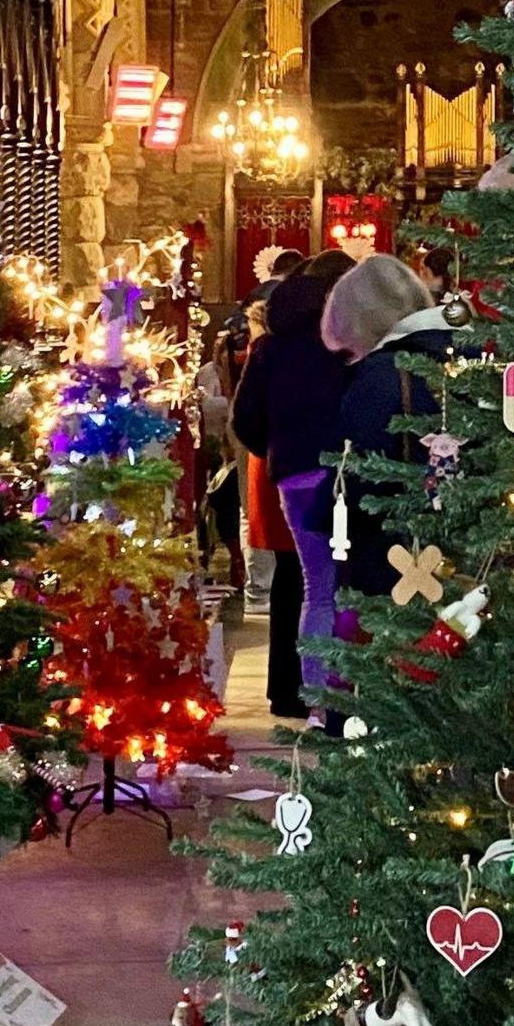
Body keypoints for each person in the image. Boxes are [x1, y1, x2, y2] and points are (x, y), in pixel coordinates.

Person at [232, 246, 353, 723]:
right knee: (350, 587)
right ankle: (349, 698)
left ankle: (318, 702)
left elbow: (246, 421)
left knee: (317, 589)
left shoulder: (270, 346)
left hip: (297, 477)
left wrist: (281, 451)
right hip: (349, 470)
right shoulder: (346, 339)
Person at [322, 252, 456, 605]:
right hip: (469, 557)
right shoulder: (467, 355)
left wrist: (321, 509)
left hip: (392, 561)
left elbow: (356, 476)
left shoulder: (380, 376)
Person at [193, 318, 248, 595]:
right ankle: (235, 555)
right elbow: (207, 408)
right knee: (221, 496)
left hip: (239, 451)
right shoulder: (208, 374)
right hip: (217, 448)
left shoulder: (245, 371)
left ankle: (241, 560)